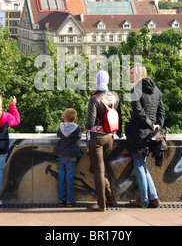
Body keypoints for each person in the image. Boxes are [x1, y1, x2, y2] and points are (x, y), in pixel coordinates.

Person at [124, 64, 165, 208]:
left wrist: (149, 124)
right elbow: (161, 112)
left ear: (138, 74)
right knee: (141, 164)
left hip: (139, 133)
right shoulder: (157, 91)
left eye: (131, 73)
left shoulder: (135, 90)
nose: (129, 75)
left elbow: (139, 112)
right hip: (152, 135)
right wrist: (157, 126)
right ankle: (153, 197)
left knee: (139, 165)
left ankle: (144, 199)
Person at [84, 70, 122, 211]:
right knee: (96, 168)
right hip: (109, 138)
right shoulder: (114, 96)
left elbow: (89, 124)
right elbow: (119, 116)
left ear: (97, 81)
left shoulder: (95, 99)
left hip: (96, 139)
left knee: (99, 171)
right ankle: (111, 198)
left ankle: (101, 205)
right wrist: (120, 132)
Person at [54, 108, 82, 207]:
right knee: (69, 179)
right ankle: (70, 201)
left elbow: (58, 135)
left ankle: (61, 200)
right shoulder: (77, 128)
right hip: (71, 156)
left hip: (61, 155)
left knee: (61, 178)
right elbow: (79, 137)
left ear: (64, 118)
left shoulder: (61, 127)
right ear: (75, 119)